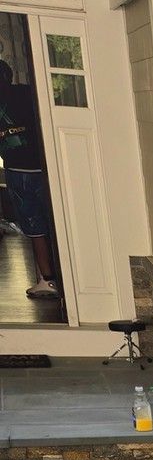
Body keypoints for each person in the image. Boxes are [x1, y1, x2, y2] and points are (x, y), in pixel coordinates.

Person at [0, 59, 60, 300]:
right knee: (57, 220)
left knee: (35, 227)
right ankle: (65, 275)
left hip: (19, 170)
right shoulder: (27, 92)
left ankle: (47, 280)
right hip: (46, 163)